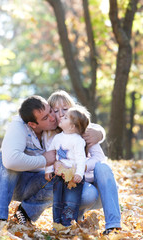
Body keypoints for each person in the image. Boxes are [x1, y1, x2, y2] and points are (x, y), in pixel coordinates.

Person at [0, 94, 104, 227]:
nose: (53, 117)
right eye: (46, 117)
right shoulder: (20, 125)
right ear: (33, 124)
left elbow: (81, 121)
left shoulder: (62, 127)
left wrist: (100, 133)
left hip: (38, 183)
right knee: (9, 162)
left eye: (50, 111)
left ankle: (25, 213)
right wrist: (44, 160)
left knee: (61, 179)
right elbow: (10, 161)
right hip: (12, 184)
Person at [46, 90, 121, 235]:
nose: (61, 113)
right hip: (72, 186)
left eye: (65, 110)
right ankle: (74, 219)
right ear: (51, 114)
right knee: (86, 194)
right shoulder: (53, 136)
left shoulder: (84, 131)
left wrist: (83, 166)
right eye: (56, 110)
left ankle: (113, 225)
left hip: (93, 181)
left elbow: (99, 157)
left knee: (103, 167)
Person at [45, 105, 90, 226]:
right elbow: (51, 154)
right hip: (59, 176)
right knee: (57, 201)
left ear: (72, 126)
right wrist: (48, 170)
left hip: (73, 177)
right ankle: (57, 224)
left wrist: (79, 174)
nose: (61, 117)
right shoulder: (57, 138)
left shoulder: (78, 140)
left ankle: (67, 225)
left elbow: (81, 159)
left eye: (65, 117)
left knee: (71, 202)